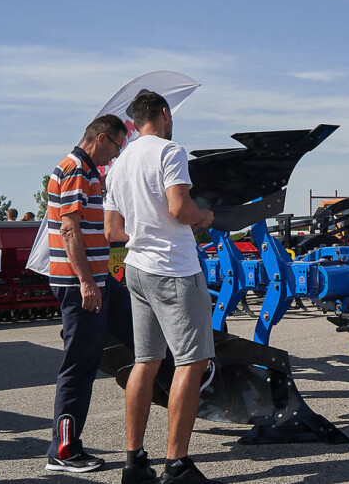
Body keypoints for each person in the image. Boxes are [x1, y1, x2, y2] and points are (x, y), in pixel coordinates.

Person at [104, 91, 217, 484]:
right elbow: (179, 210)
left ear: (134, 122)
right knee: (192, 361)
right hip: (174, 270)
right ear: (164, 115)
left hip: (136, 270)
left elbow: (112, 231)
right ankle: (177, 465)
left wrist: (142, 231)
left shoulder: (118, 165)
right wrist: (204, 216)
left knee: (145, 362)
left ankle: (134, 463)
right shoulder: (170, 152)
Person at [44, 114, 130, 474]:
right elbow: (69, 228)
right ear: (100, 137)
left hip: (99, 280)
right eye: (115, 147)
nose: (114, 156)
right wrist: (86, 282)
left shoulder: (89, 171)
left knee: (140, 333)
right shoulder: (76, 168)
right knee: (79, 366)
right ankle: (63, 451)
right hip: (81, 284)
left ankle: (193, 383)